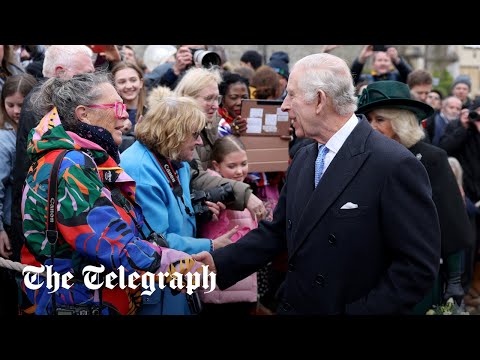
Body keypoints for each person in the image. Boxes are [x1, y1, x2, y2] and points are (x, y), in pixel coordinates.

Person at [193, 53, 441, 315]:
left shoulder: (393, 163)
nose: (284, 106)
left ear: (320, 100)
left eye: (291, 95)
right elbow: (277, 232)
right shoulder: (303, 156)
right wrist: (217, 262)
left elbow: (417, 267)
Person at [19, 72, 206, 315]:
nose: (124, 115)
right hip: (80, 303)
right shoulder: (72, 165)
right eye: (116, 106)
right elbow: (112, 243)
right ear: (83, 114)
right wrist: (179, 266)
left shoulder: (83, 158)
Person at [357, 80, 473, 313]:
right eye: (368, 120)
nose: (371, 127)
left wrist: (454, 279)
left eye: (380, 119)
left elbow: (451, 223)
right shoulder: (363, 158)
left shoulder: (431, 158)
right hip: (369, 275)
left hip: (416, 277)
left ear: (399, 123)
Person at [121, 88, 237, 314]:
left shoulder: (174, 159)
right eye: (195, 134)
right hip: (156, 291)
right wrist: (211, 245)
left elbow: (173, 212)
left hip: (175, 281)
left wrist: (198, 210)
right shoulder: (140, 169)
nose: (200, 142)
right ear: (173, 133)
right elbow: (157, 242)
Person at [11, 45, 96, 262]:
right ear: (59, 72)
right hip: (45, 238)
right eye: (86, 75)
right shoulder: (43, 106)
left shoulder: (56, 100)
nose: (92, 81)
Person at [198, 136, 258, 315]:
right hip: (222, 290)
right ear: (216, 166)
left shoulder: (242, 190)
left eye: (244, 164)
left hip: (239, 284)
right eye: (232, 166)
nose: (240, 171)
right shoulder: (219, 196)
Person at [0, 73, 37, 315]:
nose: (15, 111)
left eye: (21, 105)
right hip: (12, 224)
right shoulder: (5, 140)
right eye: (9, 104)